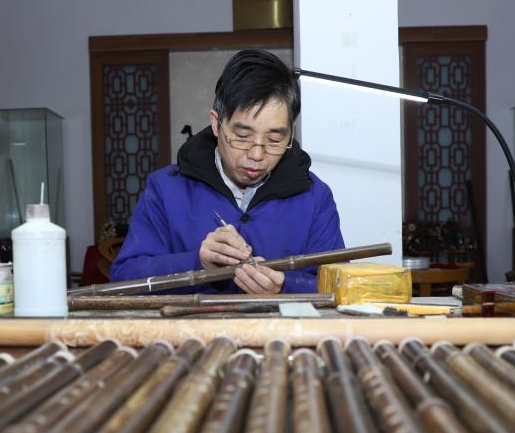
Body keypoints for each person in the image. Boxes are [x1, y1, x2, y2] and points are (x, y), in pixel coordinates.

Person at [111, 49, 344, 294]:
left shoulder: (315, 197)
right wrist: (198, 264)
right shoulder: (165, 189)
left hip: (278, 333)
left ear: (290, 133)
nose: (256, 155)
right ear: (216, 123)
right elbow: (123, 279)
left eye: (274, 140)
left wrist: (285, 286)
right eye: (242, 137)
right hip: (192, 333)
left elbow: (339, 286)